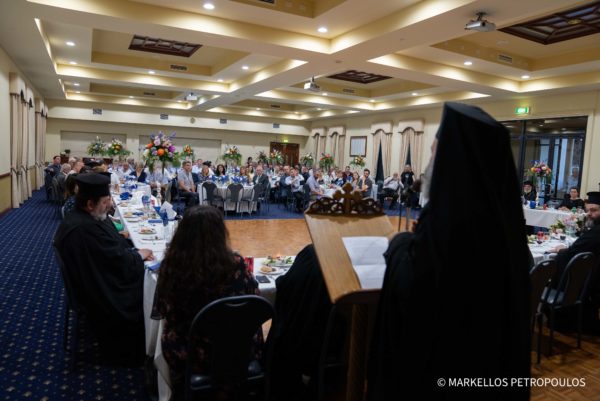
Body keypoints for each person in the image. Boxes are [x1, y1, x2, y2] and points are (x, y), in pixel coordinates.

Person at [368, 102, 530, 400]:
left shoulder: (450, 220)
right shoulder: (505, 219)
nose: (429, 163)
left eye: (433, 153)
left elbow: (416, 286)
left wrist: (400, 244)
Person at [153, 206, 261, 400]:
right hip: (235, 349)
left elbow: (162, 309)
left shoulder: (173, 266)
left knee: (171, 328)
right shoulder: (236, 264)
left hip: (191, 353)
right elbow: (255, 299)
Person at [53, 173, 154, 365]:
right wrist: (138, 255)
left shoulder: (86, 217)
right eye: (106, 201)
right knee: (153, 284)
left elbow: (109, 252)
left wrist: (130, 249)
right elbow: (116, 262)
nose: (110, 205)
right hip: (101, 290)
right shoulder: (83, 229)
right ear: (90, 204)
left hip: (98, 275)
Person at [550, 192, 600, 332]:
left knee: (559, 259)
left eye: (594, 210)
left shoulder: (596, 232)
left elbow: (572, 252)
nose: (589, 214)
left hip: (589, 280)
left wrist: (562, 251)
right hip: (594, 277)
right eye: (587, 210)